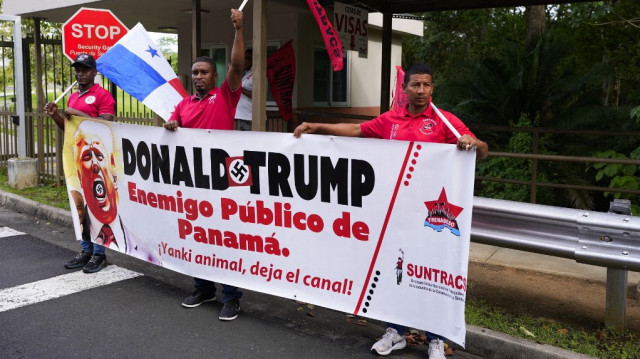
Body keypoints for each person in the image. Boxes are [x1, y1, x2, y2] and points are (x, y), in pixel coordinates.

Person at [294, 63, 488, 359]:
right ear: (405, 89)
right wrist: (317, 126)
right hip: (395, 211)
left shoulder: (444, 122)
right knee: (394, 271)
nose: (421, 91)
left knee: (431, 272)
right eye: (415, 85)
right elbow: (358, 129)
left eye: (427, 85)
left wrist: (473, 142)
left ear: (433, 88)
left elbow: (483, 150)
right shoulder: (391, 118)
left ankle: (434, 338)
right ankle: (395, 331)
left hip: (432, 217)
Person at [164, 8, 246, 321]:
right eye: (195, 72)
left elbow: (238, 64)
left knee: (224, 239)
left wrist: (239, 30)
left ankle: (232, 296)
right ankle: (203, 287)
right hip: (193, 184)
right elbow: (174, 128)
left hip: (222, 182)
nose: (198, 76)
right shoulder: (183, 105)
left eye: (204, 72)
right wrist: (171, 123)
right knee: (197, 236)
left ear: (215, 76)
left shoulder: (226, 96)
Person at [43, 53, 116, 273]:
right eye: (78, 69)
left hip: (96, 159)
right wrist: (56, 115)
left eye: (85, 69)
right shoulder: (73, 97)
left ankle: (99, 254)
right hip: (76, 157)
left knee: (97, 204)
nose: (80, 73)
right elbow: (68, 127)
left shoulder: (103, 96)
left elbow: (107, 124)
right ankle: (85, 250)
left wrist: (78, 113)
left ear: (95, 72)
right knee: (80, 205)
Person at [72, 120, 160, 265]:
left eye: (100, 156)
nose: (95, 166)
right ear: (79, 174)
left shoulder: (148, 253)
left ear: (113, 168)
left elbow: (106, 116)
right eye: (87, 157)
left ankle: (98, 255)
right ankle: (87, 251)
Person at [235, 48, 253, 131]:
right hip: (242, 115)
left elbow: (256, 95)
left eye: (245, 58)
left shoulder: (257, 74)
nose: (243, 61)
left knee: (248, 142)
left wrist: (240, 88)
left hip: (249, 117)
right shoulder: (247, 74)